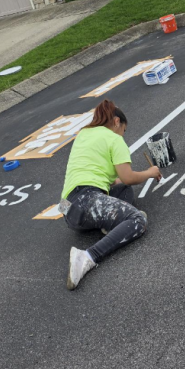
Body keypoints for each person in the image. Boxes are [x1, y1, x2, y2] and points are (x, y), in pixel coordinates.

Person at [59, 99, 162, 290]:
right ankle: (87, 256)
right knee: (137, 220)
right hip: (86, 200)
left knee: (124, 190)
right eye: (124, 130)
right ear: (116, 122)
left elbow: (116, 181)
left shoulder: (84, 134)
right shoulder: (114, 139)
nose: (123, 134)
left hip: (67, 209)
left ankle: (110, 224)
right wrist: (150, 172)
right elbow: (128, 176)